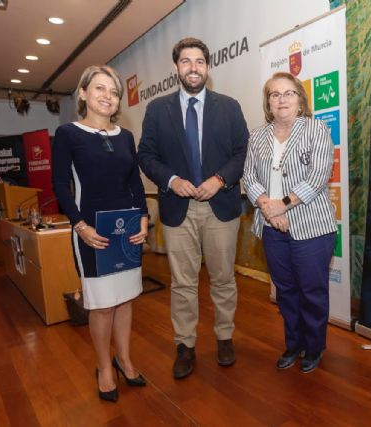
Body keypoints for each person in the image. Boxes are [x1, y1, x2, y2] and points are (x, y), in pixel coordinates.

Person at [137, 37, 249, 379]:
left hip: (221, 207)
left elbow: (242, 152)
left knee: (223, 279)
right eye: (186, 61)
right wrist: (171, 180)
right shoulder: (158, 109)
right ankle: (185, 345)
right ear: (176, 68)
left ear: (208, 67)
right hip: (176, 209)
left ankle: (224, 337)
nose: (193, 68)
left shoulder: (229, 107)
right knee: (183, 284)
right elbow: (146, 156)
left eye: (199, 61)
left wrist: (219, 179)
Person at [52, 65, 149, 402]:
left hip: (126, 231)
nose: (108, 96)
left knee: (124, 300)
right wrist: (80, 225)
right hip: (92, 231)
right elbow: (60, 185)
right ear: (83, 93)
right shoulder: (68, 134)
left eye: (114, 91)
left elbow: (134, 182)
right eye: (100, 89)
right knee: (102, 306)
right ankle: (104, 367)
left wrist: (144, 218)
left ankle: (123, 359)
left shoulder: (125, 137)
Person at [243, 71, 337, 373]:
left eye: (288, 93)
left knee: (312, 290)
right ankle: (293, 344)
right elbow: (249, 177)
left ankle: (314, 347)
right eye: (274, 94)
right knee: (285, 291)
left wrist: (280, 206)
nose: (281, 99)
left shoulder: (316, 129)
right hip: (272, 227)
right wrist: (269, 210)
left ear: (300, 99)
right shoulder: (257, 136)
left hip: (311, 225)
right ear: (268, 103)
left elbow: (318, 178)